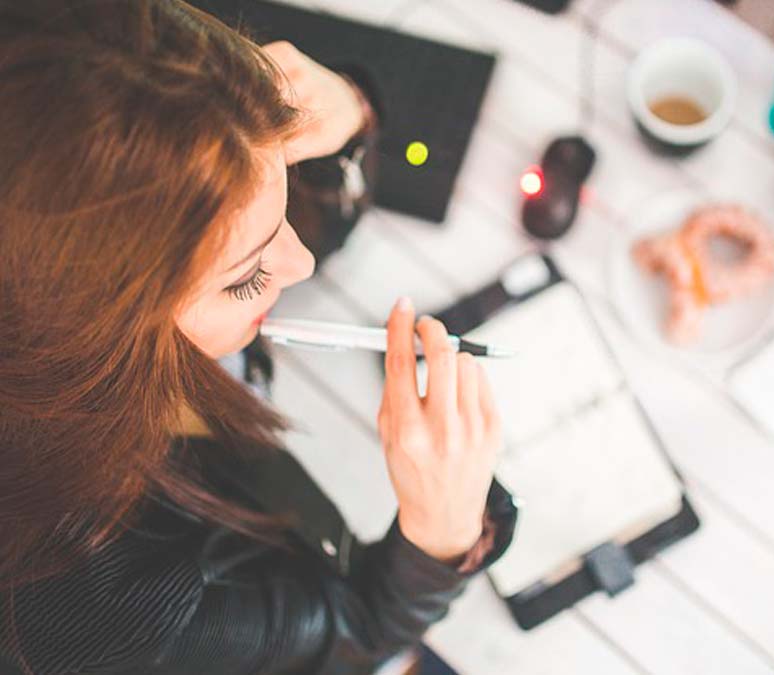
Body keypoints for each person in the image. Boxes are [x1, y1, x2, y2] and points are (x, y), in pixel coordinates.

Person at [0, 2, 517, 674]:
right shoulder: (99, 599)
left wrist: (349, 109)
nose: (300, 263)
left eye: (284, 177)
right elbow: (356, 635)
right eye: (244, 279)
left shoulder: (108, 107)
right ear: (95, 334)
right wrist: (439, 540)